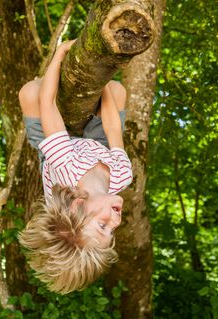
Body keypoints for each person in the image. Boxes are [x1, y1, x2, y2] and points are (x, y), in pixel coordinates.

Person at [17, 39, 133, 294]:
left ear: (78, 206)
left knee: (31, 93)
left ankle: (49, 80)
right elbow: (114, 129)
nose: (115, 222)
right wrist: (99, 80)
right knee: (117, 91)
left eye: (103, 226)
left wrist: (59, 55)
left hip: (60, 150)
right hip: (97, 147)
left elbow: (48, 106)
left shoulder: (64, 166)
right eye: (112, 232)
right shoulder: (122, 176)